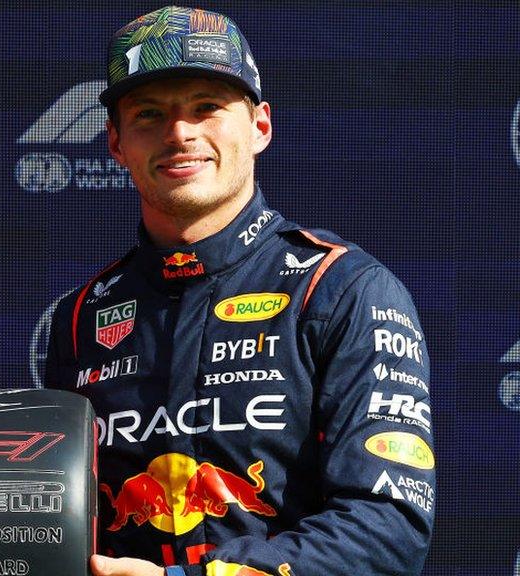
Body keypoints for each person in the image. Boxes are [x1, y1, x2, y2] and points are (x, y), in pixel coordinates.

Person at [43, 7, 434, 576]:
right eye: (149, 114)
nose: (180, 133)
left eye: (207, 108)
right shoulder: (81, 316)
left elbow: (388, 526)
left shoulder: (342, 289)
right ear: (116, 143)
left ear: (260, 126)